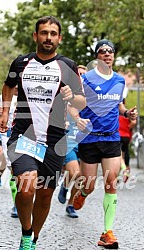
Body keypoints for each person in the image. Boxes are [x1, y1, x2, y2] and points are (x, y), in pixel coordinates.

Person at [0, 16, 86, 250]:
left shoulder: (67, 65)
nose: (48, 37)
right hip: (23, 137)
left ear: (59, 38)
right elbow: (7, 86)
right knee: (26, 190)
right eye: (44, 33)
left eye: (53, 33)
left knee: (45, 196)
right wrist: (5, 112)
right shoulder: (21, 63)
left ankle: (32, 240)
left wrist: (71, 96)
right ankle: (26, 232)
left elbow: (82, 99)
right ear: (36, 36)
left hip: (55, 141)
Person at [68, 39, 138, 249]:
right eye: (102, 51)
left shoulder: (119, 80)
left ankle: (107, 233)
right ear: (97, 56)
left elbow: (117, 103)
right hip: (90, 138)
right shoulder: (86, 79)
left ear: (113, 56)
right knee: (88, 184)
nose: (107, 54)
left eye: (110, 51)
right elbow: (73, 106)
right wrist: (77, 119)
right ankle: (82, 194)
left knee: (111, 182)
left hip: (111, 137)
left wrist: (127, 112)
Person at [58, 66, 88, 218]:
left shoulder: (91, 95)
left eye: (84, 74)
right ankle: (64, 186)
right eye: (79, 74)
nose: (82, 77)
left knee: (82, 177)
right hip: (69, 140)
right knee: (74, 172)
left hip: (86, 142)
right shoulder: (69, 93)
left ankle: (70, 205)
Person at [0, 87, 18, 218]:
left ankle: (20, 202)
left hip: (26, 136)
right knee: (14, 169)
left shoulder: (29, 94)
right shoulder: (3, 97)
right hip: (7, 136)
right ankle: (16, 203)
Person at [119, 98, 137, 183]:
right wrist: (128, 128)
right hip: (126, 136)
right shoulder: (127, 113)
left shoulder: (117, 112)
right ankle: (127, 167)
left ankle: (123, 170)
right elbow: (133, 122)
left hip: (118, 136)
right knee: (125, 153)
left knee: (118, 156)